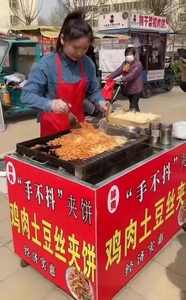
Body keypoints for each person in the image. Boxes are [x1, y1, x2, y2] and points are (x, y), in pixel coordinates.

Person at [21, 11, 110, 137]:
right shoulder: (46, 64)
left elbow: (93, 90)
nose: (79, 53)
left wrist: (100, 102)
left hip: (78, 127)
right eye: (75, 47)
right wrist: (50, 104)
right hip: (53, 130)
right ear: (62, 39)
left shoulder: (87, 64)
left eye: (84, 48)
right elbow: (27, 95)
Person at [107, 47, 143, 111]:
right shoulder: (125, 64)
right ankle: (139, 118)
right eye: (126, 55)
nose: (128, 56)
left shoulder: (138, 65)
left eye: (129, 55)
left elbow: (131, 75)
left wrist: (122, 79)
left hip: (136, 89)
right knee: (134, 106)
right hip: (129, 89)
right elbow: (118, 71)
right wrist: (109, 77)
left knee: (132, 107)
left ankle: (133, 119)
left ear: (133, 55)